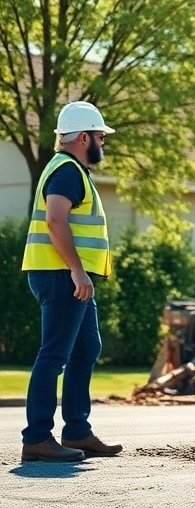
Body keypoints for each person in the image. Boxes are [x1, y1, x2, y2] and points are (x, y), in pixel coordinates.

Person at [19, 101, 123, 463]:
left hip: (68, 276)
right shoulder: (66, 172)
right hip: (61, 275)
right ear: (83, 137)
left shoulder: (72, 170)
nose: (102, 143)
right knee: (54, 356)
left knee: (86, 350)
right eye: (99, 136)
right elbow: (55, 221)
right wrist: (78, 271)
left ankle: (78, 430)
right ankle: (36, 438)